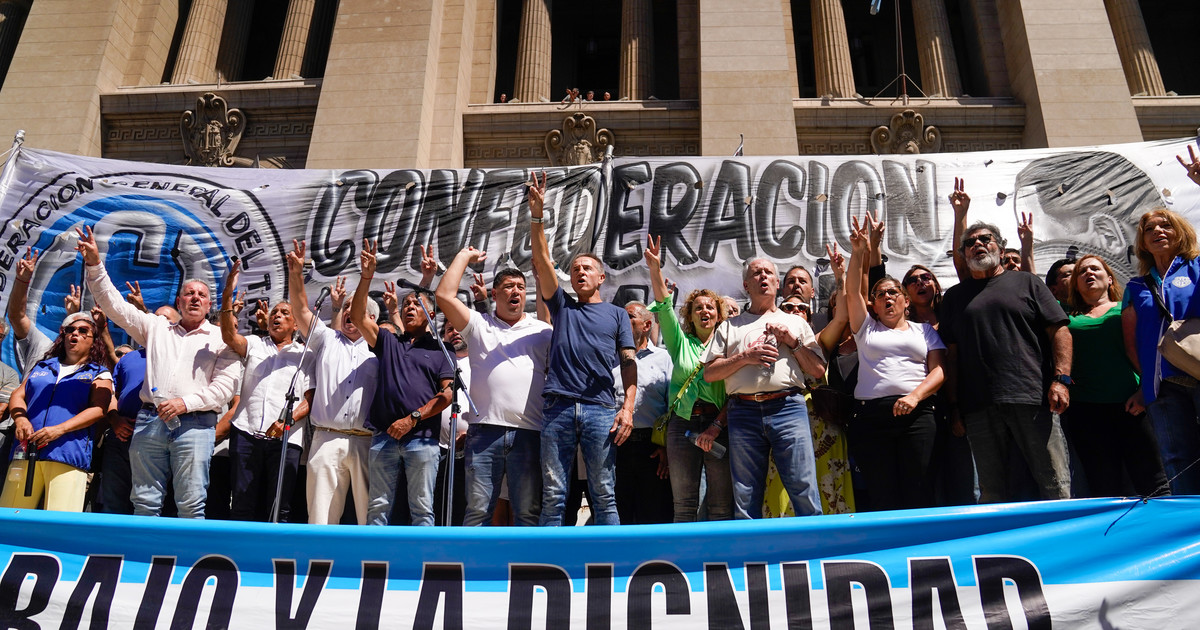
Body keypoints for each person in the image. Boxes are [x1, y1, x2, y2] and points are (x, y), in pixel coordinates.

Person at [79, 227, 240, 518]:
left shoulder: (222, 338)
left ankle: (185, 551)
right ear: (179, 302)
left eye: (201, 295)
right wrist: (94, 264)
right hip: (149, 421)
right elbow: (114, 306)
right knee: (144, 503)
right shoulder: (156, 328)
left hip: (196, 425)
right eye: (189, 293)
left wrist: (184, 403)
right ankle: (145, 550)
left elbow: (225, 388)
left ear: (208, 305)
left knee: (191, 505)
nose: (195, 298)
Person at [939, 187, 1073, 503]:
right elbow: (952, 356)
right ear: (963, 254)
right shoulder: (955, 297)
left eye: (985, 239)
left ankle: (1065, 535)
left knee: (1054, 483)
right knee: (992, 492)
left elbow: (1060, 331)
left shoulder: (1027, 282)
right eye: (970, 243)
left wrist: (1061, 379)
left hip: (1032, 397)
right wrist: (955, 406)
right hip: (978, 406)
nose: (977, 245)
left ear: (1000, 248)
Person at [527, 170, 637, 526]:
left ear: (601, 277)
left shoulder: (618, 315)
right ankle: (551, 557)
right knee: (554, 494)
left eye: (587, 268)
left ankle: (611, 558)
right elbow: (543, 261)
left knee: (604, 493)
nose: (580, 272)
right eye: (575, 268)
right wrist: (537, 217)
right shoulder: (561, 305)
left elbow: (629, 363)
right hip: (557, 407)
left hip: (600, 409)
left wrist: (627, 409)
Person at [701, 257, 827, 519]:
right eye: (756, 273)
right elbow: (710, 373)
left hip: (788, 408)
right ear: (746, 285)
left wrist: (792, 342)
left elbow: (818, 370)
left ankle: (814, 544)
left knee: (803, 487)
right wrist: (745, 357)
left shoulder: (796, 323)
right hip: (743, 411)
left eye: (768, 273)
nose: (763, 277)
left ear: (777, 283)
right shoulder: (729, 326)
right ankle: (751, 546)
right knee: (745, 496)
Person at [435, 247, 552, 527]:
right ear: (494, 293)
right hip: (484, 432)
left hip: (529, 433)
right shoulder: (478, 326)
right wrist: (463, 256)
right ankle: (474, 559)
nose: (516, 291)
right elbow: (444, 296)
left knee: (528, 513)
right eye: (509, 286)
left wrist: (541, 275)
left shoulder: (542, 330)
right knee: (477, 512)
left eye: (521, 287)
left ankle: (525, 559)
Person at [351, 240, 455, 526]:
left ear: (431, 314)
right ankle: (377, 556)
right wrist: (366, 277)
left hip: (422, 439)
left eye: (416, 304)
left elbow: (447, 394)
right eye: (406, 304)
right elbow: (358, 317)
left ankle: (423, 557)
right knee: (377, 509)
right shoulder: (389, 341)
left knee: (422, 511)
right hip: (384, 436)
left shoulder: (441, 349)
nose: (409, 307)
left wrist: (412, 419)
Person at [845, 217, 946, 511]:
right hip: (871, 419)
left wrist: (915, 396)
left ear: (906, 301)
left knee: (920, 491)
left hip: (917, 415)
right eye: (880, 294)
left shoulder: (924, 331)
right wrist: (857, 252)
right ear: (873, 305)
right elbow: (852, 292)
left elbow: (939, 371)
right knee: (882, 495)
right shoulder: (865, 328)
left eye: (893, 292)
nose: (887, 297)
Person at [287, 240, 380, 525]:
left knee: (371, 518)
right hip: (327, 437)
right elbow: (300, 310)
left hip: (368, 441)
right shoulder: (326, 339)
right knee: (320, 517)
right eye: (347, 307)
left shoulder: (381, 349)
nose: (350, 312)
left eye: (357, 307)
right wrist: (295, 275)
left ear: (372, 318)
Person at [643, 235, 733, 522]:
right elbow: (663, 306)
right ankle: (685, 553)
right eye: (698, 308)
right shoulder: (680, 343)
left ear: (719, 316)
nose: (704, 311)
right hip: (682, 426)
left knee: (721, 505)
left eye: (710, 307)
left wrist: (717, 426)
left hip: (719, 425)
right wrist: (655, 269)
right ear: (690, 317)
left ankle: (719, 552)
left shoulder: (730, 346)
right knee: (684, 505)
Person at [1063, 254, 1166, 497]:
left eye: (1095, 269)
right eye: (1082, 272)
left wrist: (1143, 392)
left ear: (1110, 279)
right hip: (1085, 410)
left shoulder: (1127, 308)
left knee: (1153, 480)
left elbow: (1148, 350)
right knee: (1103, 485)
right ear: (1075, 284)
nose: (1089, 273)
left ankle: (1164, 521)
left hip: (1131, 405)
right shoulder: (1066, 315)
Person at [219, 260, 313, 522]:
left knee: (279, 508)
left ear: (296, 324)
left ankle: (274, 550)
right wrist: (227, 295)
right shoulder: (255, 344)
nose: (276, 316)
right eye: (274, 313)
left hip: (286, 438)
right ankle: (239, 548)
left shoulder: (306, 355)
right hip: (246, 433)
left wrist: (287, 421)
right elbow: (228, 336)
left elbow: (310, 399)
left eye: (284, 313)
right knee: (241, 505)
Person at [1122, 208, 1200, 495]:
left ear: (1181, 233)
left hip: (1198, 373)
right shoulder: (1135, 286)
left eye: (1165, 225)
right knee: (1176, 460)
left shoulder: (1197, 267)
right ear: (1142, 242)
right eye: (1149, 229)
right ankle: (1188, 520)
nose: (1157, 231)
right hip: (1162, 387)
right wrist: (1144, 384)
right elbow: (1132, 341)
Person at [0, 313, 113, 511]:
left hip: (67, 455)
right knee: (11, 516)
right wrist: (20, 419)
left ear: (94, 341)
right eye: (70, 330)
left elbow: (98, 410)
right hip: (25, 451)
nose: (74, 333)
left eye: (83, 331)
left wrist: (59, 429)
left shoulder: (99, 372)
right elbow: (18, 395)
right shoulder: (43, 366)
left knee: (60, 520)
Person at [98, 306, 181, 515]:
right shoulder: (129, 358)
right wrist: (115, 420)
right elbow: (113, 394)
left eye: (166, 319)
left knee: (153, 503)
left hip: (161, 438)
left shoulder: (181, 355)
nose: (159, 322)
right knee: (113, 504)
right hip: (121, 437)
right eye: (156, 318)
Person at [612, 301, 673, 524]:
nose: (622, 322)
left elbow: (671, 406)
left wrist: (665, 447)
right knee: (619, 513)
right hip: (615, 446)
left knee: (654, 513)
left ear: (647, 325)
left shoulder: (664, 358)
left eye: (629, 317)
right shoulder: (609, 358)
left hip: (653, 449)